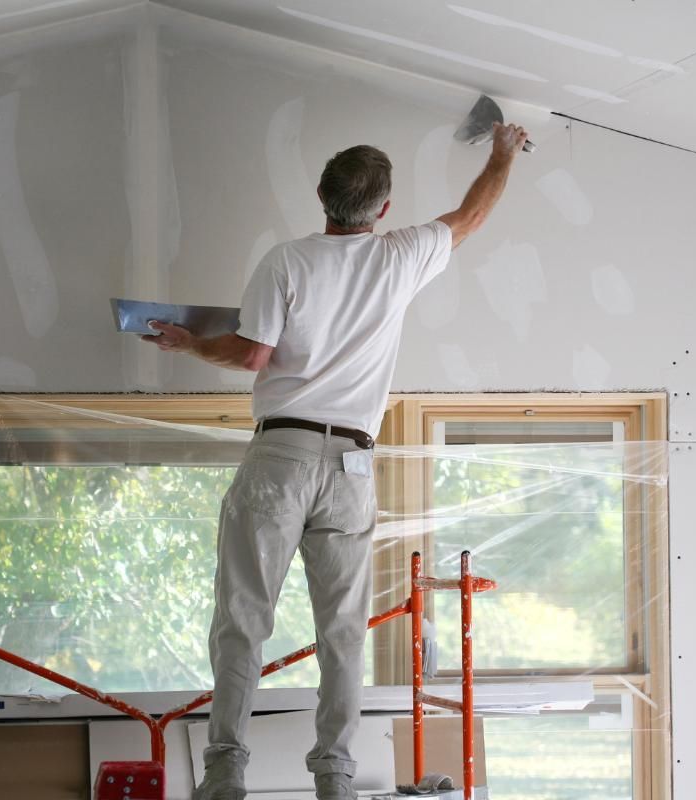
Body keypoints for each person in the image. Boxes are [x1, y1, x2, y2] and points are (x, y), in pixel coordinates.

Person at [143, 121, 530, 800]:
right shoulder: (402, 255)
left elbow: (251, 355)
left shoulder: (286, 261)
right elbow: (472, 213)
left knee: (243, 619)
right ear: (383, 210)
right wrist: (503, 150)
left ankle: (226, 773)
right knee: (343, 633)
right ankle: (335, 778)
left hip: (281, 457)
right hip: (352, 464)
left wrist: (188, 342)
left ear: (321, 196)